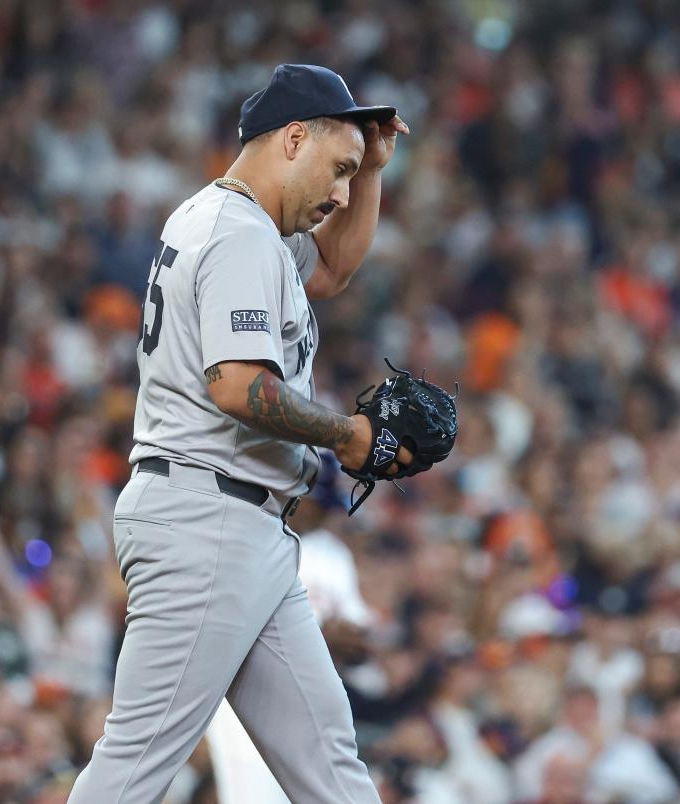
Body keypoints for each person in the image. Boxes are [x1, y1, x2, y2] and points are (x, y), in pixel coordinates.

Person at [67, 63, 412, 803]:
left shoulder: (240, 221)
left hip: (241, 525)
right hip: (206, 519)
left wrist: (375, 166)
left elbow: (335, 268)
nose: (342, 195)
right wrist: (344, 434)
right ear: (293, 139)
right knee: (134, 769)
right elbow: (239, 386)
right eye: (339, 169)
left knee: (331, 764)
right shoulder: (237, 233)